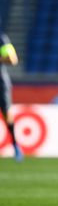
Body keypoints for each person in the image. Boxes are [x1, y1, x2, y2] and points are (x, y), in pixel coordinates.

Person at [0, 29, 23, 162]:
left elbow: (12, 59)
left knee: (7, 114)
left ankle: (15, 146)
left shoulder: (2, 39)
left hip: (1, 83)